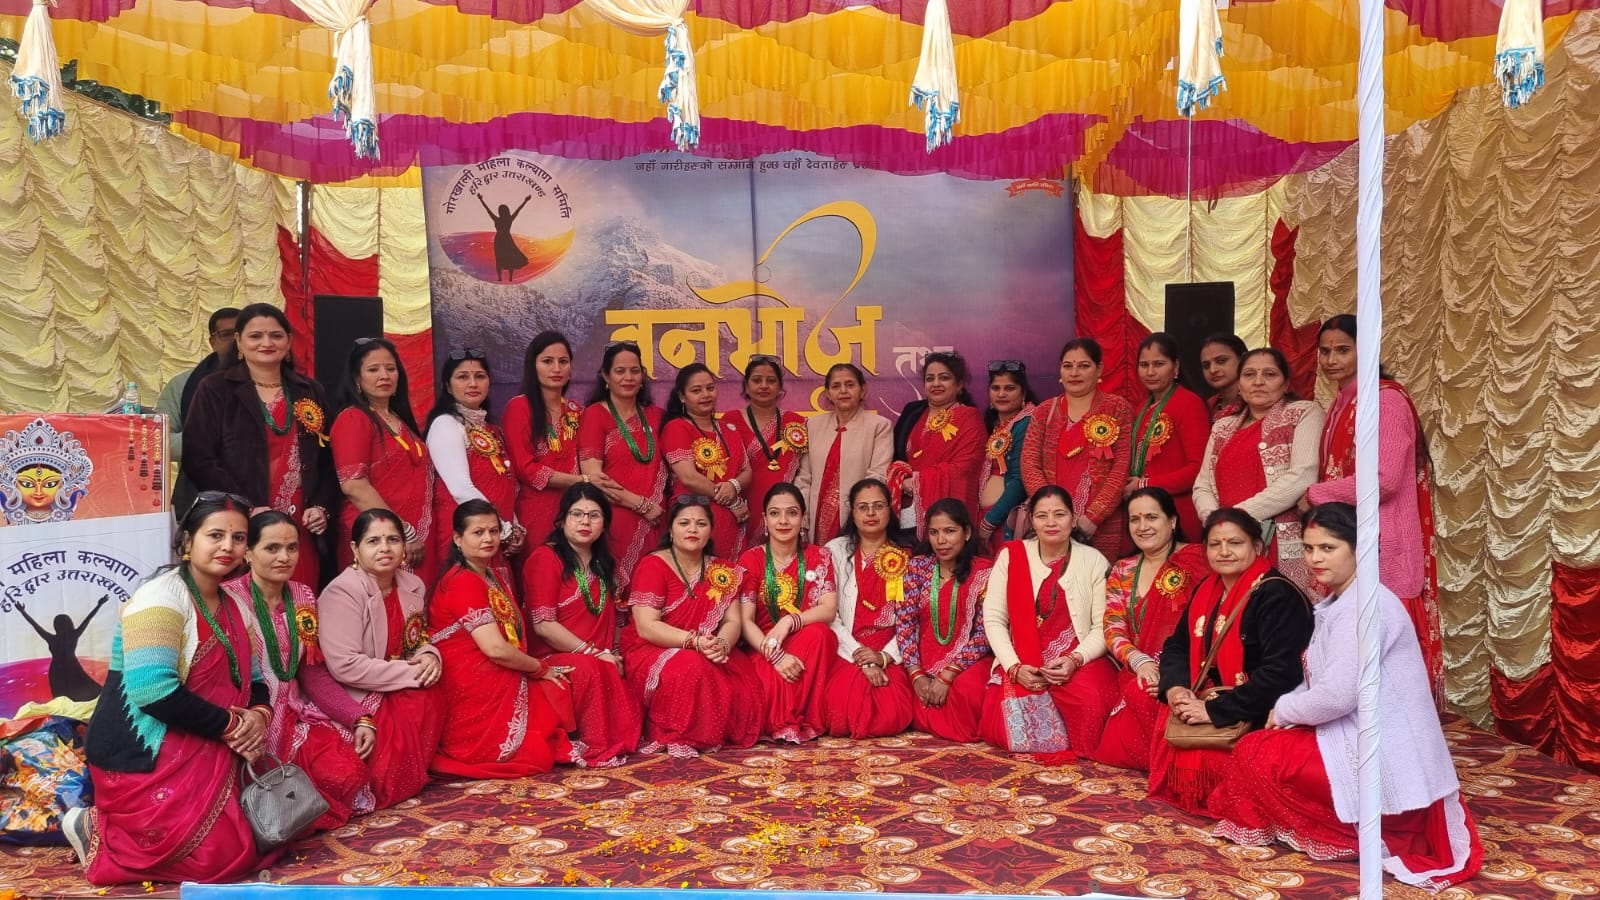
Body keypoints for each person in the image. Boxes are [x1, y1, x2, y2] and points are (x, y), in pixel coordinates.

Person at [1210, 502, 1482, 890]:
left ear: (1359, 548)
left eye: (1328, 548)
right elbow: (1319, 680)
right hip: (1357, 730)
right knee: (1263, 745)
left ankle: (1351, 835)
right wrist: (1287, 712)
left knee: (1255, 752)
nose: (1315, 559)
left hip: (1385, 749)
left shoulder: (1366, 607)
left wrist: (1284, 709)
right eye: (1309, 548)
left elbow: (1337, 696)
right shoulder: (1344, 601)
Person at [65, 493, 273, 884]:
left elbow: (257, 681)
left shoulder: (237, 606)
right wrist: (233, 727)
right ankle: (96, 828)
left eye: (239, 538)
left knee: (266, 835)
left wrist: (259, 718)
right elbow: (152, 692)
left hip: (209, 739)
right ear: (188, 540)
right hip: (149, 748)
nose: (228, 546)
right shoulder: (160, 598)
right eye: (215, 535)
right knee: (218, 861)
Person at [1305, 314, 1442, 702]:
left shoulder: (1385, 399)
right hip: (1353, 542)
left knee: (1385, 665)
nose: (1332, 360)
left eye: (1343, 350)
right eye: (1325, 351)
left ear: (1366, 350)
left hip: (1384, 547)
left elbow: (1384, 479)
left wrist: (1316, 494)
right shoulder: (1343, 401)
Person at [1149, 508, 1314, 816]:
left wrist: (1213, 711)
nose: (1224, 551)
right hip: (1213, 693)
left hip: (1260, 706)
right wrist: (1175, 688)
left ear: (1257, 547)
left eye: (1235, 543)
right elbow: (1177, 646)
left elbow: (1282, 673)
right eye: (1215, 544)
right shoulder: (1205, 589)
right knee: (1166, 709)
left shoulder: (1276, 595)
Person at [223, 510, 368, 831]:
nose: (284, 557)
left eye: (291, 548)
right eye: (272, 548)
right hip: (246, 719)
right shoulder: (229, 599)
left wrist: (357, 716)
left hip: (295, 715)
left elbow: (311, 672)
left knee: (348, 772)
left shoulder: (302, 596)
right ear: (248, 553)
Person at [184, 303, 335, 588]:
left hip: (300, 524)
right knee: (248, 603)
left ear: (288, 342)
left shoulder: (309, 390)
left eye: (276, 335)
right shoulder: (215, 388)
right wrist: (247, 507)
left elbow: (328, 459)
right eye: (255, 336)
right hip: (240, 521)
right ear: (239, 341)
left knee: (298, 602)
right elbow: (199, 458)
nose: (266, 343)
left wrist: (321, 507)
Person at [429, 500, 576, 777]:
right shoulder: (463, 581)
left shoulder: (491, 575)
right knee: (546, 711)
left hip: (493, 666)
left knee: (558, 688)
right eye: (478, 532)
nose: (488, 539)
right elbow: (495, 648)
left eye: (493, 531)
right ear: (458, 539)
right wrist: (539, 668)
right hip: (471, 675)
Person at [314, 509, 445, 810]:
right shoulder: (342, 592)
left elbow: (416, 639)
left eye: (393, 540)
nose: (385, 548)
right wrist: (413, 673)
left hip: (395, 678)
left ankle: (414, 771)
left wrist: (428, 656)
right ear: (355, 548)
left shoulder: (412, 585)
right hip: (359, 689)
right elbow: (345, 666)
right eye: (373, 541)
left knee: (433, 688)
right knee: (418, 695)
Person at [980, 486, 1119, 756]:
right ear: (1031, 520)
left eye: (1059, 514)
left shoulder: (1093, 560)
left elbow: (1102, 627)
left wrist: (1074, 660)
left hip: (1078, 660)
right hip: (1022, 659)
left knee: (1091, 697)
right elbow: (994, 618)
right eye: (1042, 515)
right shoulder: (1012, 555)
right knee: (1001, 723)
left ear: (1074, 519)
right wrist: (1014, 667)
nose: (1051, 522)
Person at [622, 495, 763, 757]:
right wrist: (694, 641)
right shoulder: (653, 565)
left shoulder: (722, 570)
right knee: (692, 665)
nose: (693, 529)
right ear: (671, 530)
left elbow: (732, 620)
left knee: (743, 680)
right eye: (684, 523)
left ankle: (711, 731)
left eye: (701, 524)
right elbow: (646, 626)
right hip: (655, 648)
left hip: (708, 646)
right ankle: (684, 733)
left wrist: (722, 644)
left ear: (710, 531)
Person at [523, 483, 643, 767]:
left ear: (605, 524)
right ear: (562, 520)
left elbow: (618, 617)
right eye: (577, 514)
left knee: (637, 660)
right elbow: (543, 625)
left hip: (600, 654)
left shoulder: (606, 563)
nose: (585, 522)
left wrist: (614, 652)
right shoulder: (545, 559)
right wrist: (594, 653)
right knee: (589, 668)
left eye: (594, 515)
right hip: (554, 656)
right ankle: (591, 743)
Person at [1091, 487, 1210, 771]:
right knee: (1115, 748)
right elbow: (1113, 627)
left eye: (1152, 517)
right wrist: (1139, 661)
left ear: (1172, 521)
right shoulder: (1123, 569)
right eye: (1135, 519)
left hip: (1190, 669)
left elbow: (1210, 622)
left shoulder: (1197, 560)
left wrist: (1175, 674)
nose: (1143, 526)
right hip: (1141, 670)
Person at [1193, 348, 1326, 594]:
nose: (1258, 381)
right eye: (1249, 374)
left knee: (1280, 607)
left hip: (1279, 538)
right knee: (1233, 610)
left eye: (1269, 374)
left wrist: (1236, 518)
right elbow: (1202, 485)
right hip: (1228, 542)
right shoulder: (1222, 426)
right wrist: (1217, 522)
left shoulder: (1304, 412)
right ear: (1239, 384)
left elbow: (1303, 476)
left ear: (1286, 383)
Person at [737, 483, 839, 743]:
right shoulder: (751, 560)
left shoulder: (819, 556)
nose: (783, 521)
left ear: (803, 518)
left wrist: (789, 622)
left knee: (820, 635)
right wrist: (776, 654)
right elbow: (745, 621)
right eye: (775, 513)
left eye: (792, 513)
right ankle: (787, 721)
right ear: (765, 519)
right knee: (769, 680)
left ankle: (801, 718)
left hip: (804, 645)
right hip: (763, 646)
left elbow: (828, 609)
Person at [331, 337, 437, 585]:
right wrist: (400, 531)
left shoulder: (400, 420)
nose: (384, 375)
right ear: (356, 379)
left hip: (416, 538)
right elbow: (354, 485)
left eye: (391, 368)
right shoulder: (353, 418)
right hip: (377, 537)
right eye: (373, 369)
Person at [1020, 338, 1134, 559]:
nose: (1074, 373)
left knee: (1098, 577)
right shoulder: (1044, 412)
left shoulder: (1117, 407)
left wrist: (1093, 517)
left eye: (1083, 366)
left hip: (1101, 525)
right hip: (1050, 525)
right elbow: (1029, 464)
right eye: (1068, 366)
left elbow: (1121, 467)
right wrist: (1052, 512)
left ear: (1099, 369)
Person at [822, 478, 917, 738]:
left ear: (890, 509)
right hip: (847, 649)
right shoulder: (835, 551)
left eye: (878, 506)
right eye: (863, 507)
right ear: (852, 512)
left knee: (890, 711)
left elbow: (913, 619)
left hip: (891, 650)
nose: (871, 513)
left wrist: (884, 657)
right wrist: (860, 657)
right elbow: (830, 615)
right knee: (843, 705)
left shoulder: (907, 555)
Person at [894, 498, 993, 742]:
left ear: (966, 533)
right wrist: (916, 674)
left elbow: (984, 634)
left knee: (968, 692)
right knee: (895, 696)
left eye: (949, 531)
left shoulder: (985, 572)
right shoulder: (917, 567)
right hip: (923, 663)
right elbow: (905, 623)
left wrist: (948, 674)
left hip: (967, 663)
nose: (941, 541)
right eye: (934, 532)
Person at [577, 341, 666, 589]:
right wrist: (642, 505)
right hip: (617, 519)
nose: (628, 377)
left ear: (643, 375)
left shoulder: (657, 416)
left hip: (659, 518)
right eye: (620, 371)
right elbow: (594, 477)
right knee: (618, 591)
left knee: (653, 589)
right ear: (606, 376)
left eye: (635, 371)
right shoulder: (595, 415)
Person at [426, 348, 524, 570]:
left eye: (480, 376)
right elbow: (461, 488)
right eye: (463, 377)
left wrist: (515, 525)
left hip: (493, 536)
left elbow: (505, 485)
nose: (473, 384)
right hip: (467, 538)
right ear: (448, 386)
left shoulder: (493, 430)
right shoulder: (446, 424)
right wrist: (502, 528)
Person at [1124, 334, 1211, 544]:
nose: (1150, 372)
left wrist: (1143, 484)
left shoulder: (1189, 404)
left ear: (1176, 367)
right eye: (1144, 365)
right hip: (1144, 513)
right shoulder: (1142, 408)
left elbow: (1198, 469)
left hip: (1178, 513)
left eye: (1159, 364)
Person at [794, 363, 894, 545]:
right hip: (816, 517)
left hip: (858, 518)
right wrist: (803, 518)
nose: (843, 391)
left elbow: (877, 476)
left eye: (850, 384)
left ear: (862, 390)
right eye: (836, 386)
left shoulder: (879, 426)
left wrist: (858, 513)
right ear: (827, 393)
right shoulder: (812, 425)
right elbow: (804, 478)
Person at [661, 363, 752, 559]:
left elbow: (746, 471)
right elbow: (689, 477)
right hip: (694, 518)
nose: (705, 395)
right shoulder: (677, 428)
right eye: (696, 391)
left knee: (729, 572)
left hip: (731, 520)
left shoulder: (729, 429)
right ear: (682, 396)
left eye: (710, 388)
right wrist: (733, 500)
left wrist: (733, 485)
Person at [504, 331, 586, 550]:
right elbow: (525, 469)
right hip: (535, 510)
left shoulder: (577, 410)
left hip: (576, 510)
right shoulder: (519, 407)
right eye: (548, 361)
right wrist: (581, 480)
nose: (556, 369)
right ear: (533, 366)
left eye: (563, 362)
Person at [893, 352, 986, 536]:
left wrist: (917, 482)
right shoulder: (912, 413)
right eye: (930, 379)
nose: (936, 383)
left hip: (946, 514)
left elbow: (965, 467)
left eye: (944, 378)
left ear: (959, 385)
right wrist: (898, 479)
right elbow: (896, 456)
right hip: (904, 512)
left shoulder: (969, 418)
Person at [159, 306, 238, 516]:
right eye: (226, 334)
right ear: (212, 341)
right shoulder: (183, 384)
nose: (235, 341)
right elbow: (161, 441)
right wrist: (214, 439)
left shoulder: (268, 383)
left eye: (241, 334)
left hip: (257, 485)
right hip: (197, 490)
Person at [722, 356, 807, 548]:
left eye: (771, 381)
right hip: (739, 508)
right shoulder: (730, 421)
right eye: (757, 380)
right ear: (746, 386)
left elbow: (806, 472)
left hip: (784, 511)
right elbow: (723, 470)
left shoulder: (797, 423)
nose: (764, 386)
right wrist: (733, 503)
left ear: (780, 387)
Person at [977, 359, 1037, 549]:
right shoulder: (993, 425)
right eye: (996, 388)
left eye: (1009, 388)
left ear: (1023, 393)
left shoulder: (1027, 423)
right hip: (987, 517)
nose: (1001, 394)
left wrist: (989, 522)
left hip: (1005, 520)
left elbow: (1021, 480)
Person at [15, 594, 109, 701]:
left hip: (57, 670)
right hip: (72, 668)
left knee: (62, 698)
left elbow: (34, 625)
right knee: (86, 692)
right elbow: (88, 619)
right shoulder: (73, 635)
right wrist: (99, 605)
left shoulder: (52, 638)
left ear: (56, 626)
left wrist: (22, 611)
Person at [479, 194, 531, 282]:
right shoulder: (509, 219)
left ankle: (500, 278)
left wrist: (481, 200)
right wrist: (525, 201)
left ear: (500, 212)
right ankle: (510, 278)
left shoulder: (497, 219)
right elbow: (518, 210)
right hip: (507, 239)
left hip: (499, 240)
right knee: (510, 258)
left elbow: (487, 210)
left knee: (499, 258)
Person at [1199, 333, 1248, 422]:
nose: (1212, 370)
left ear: (1243, 359)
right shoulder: (1209, 406)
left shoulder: (1256, 401)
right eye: (1206, 365)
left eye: (1221, 361)